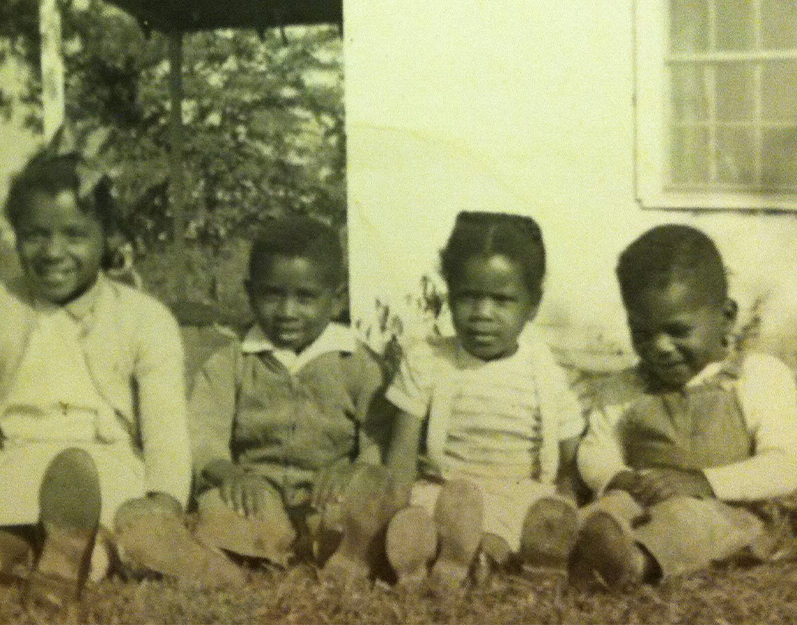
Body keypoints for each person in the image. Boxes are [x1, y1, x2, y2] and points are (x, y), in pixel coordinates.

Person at [0, 127, 242, 611]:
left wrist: (160, 514)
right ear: (16, 236)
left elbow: (166, 433)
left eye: (74, 235)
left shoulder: (144, 318)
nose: (54, 252)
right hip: (13, 461)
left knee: (103, 537)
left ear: (107, 239)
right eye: (35, 235)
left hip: (104, 466)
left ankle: (65, 562)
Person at [571, 224, 797, 589]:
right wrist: (616, 477)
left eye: (677, 330)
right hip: (642, 499)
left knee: (687, 521)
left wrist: (704, 482)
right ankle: (562, 547)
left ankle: (633, 563)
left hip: (728, 512)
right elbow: (595, 448)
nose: (659, 346)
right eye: (643, 333)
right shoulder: (626, 387)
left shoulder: (756, 377)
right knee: (608, 510)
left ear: (725, 316)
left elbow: (787, 463)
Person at [188, 217, 397, 584]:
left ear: (337, 299)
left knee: (361, 510)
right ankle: (259, 549)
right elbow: (202, 437)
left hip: (327, 499)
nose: (287, 311)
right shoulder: (231, 362)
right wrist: (231, 475)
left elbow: (379, 438)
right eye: (272, 295)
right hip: (256, 498)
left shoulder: (359, 364)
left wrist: (354, 472)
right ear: (250, 292)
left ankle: (335, 547)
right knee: (217, 510)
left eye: (305, 297)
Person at [384, 211, 585, 589]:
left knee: (529, 521)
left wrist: (567, 500)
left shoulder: (546, 369)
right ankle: (441, 554)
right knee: (421, 516)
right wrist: (395, 509)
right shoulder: (430, 359)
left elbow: (572, 457)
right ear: (449, 295)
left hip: (517, 493)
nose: (482, 314)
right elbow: (401, 453)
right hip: (445, 490)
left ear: (533, 304)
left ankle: (476, 559)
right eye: (468, 297)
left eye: (502, 300)